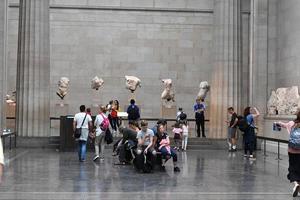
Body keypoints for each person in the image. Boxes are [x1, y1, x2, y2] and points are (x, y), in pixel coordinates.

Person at [275, 111, 300, 197]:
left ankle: (296, 184)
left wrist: (277, 123)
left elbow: (282, 124)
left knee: (292, 168)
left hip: (292, 150)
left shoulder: (291, 123)